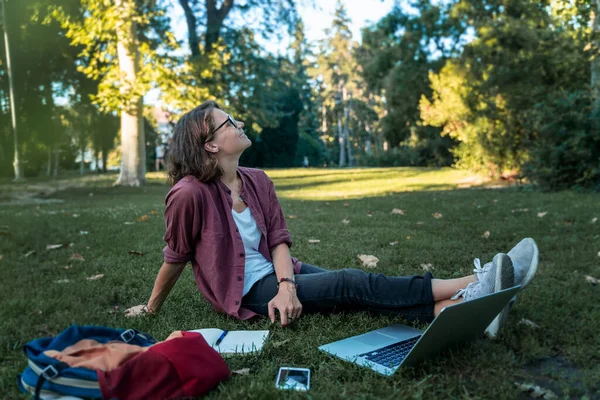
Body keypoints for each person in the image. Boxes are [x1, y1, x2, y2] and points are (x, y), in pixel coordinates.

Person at [125, 101, 539, 339]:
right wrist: (150, 307)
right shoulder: (189, 194)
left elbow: (278, 241)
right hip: (246, 291)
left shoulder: (257, 179)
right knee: (351, 282)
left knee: (357, 293)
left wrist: (287, 284)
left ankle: (467, 313)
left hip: (276, 272)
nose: (239, 122)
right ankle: (477, 284)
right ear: (211, 144)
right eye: (229, 122)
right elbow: (176, 256)